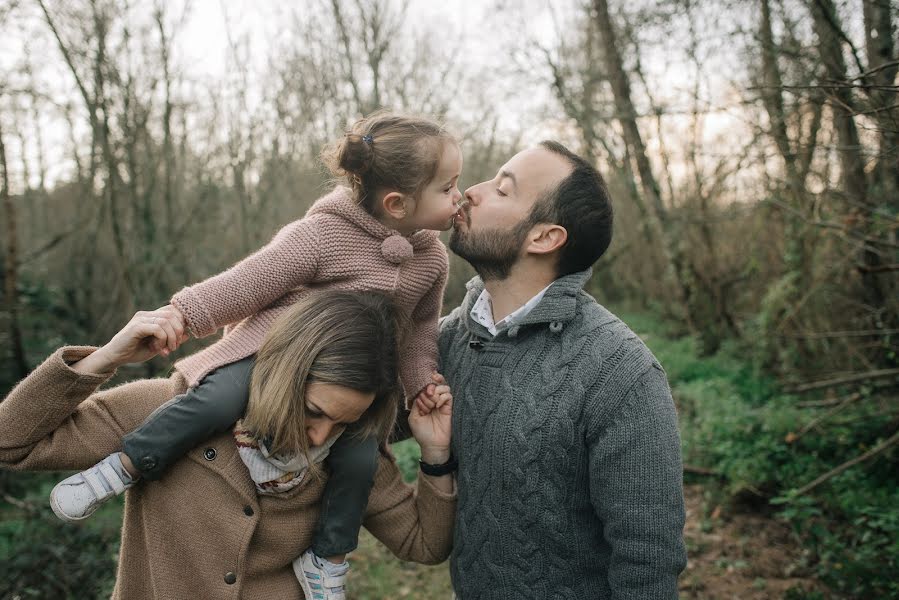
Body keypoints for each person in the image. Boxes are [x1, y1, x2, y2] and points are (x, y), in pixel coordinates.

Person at [46, 111, 464, 598]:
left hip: (352, 382)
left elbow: (419, 332)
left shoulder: (433, 259)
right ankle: (123, 467)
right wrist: (182, 313)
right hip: (266, 357)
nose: (460, 196)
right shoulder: (323, 236)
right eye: (449, 187)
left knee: (358, 459)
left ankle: (326, 560)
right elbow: (249, 282)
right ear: (397, 202)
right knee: (216, 400)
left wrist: (420, 385)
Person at [0, 290, 456, 600]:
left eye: (342, 423)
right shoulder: (166, 409)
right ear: (282, 372)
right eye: (314, 411)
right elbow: (11, 443)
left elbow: (424, 546)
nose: (320, 435)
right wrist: (106, 356)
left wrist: (435, 458)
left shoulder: (350, 456)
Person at [422, 140, 687, 598]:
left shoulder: (621, 372)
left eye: (503, 190)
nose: (472, 192)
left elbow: (648, 561)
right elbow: (363, 418)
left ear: (544, 237)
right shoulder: (453, 336)